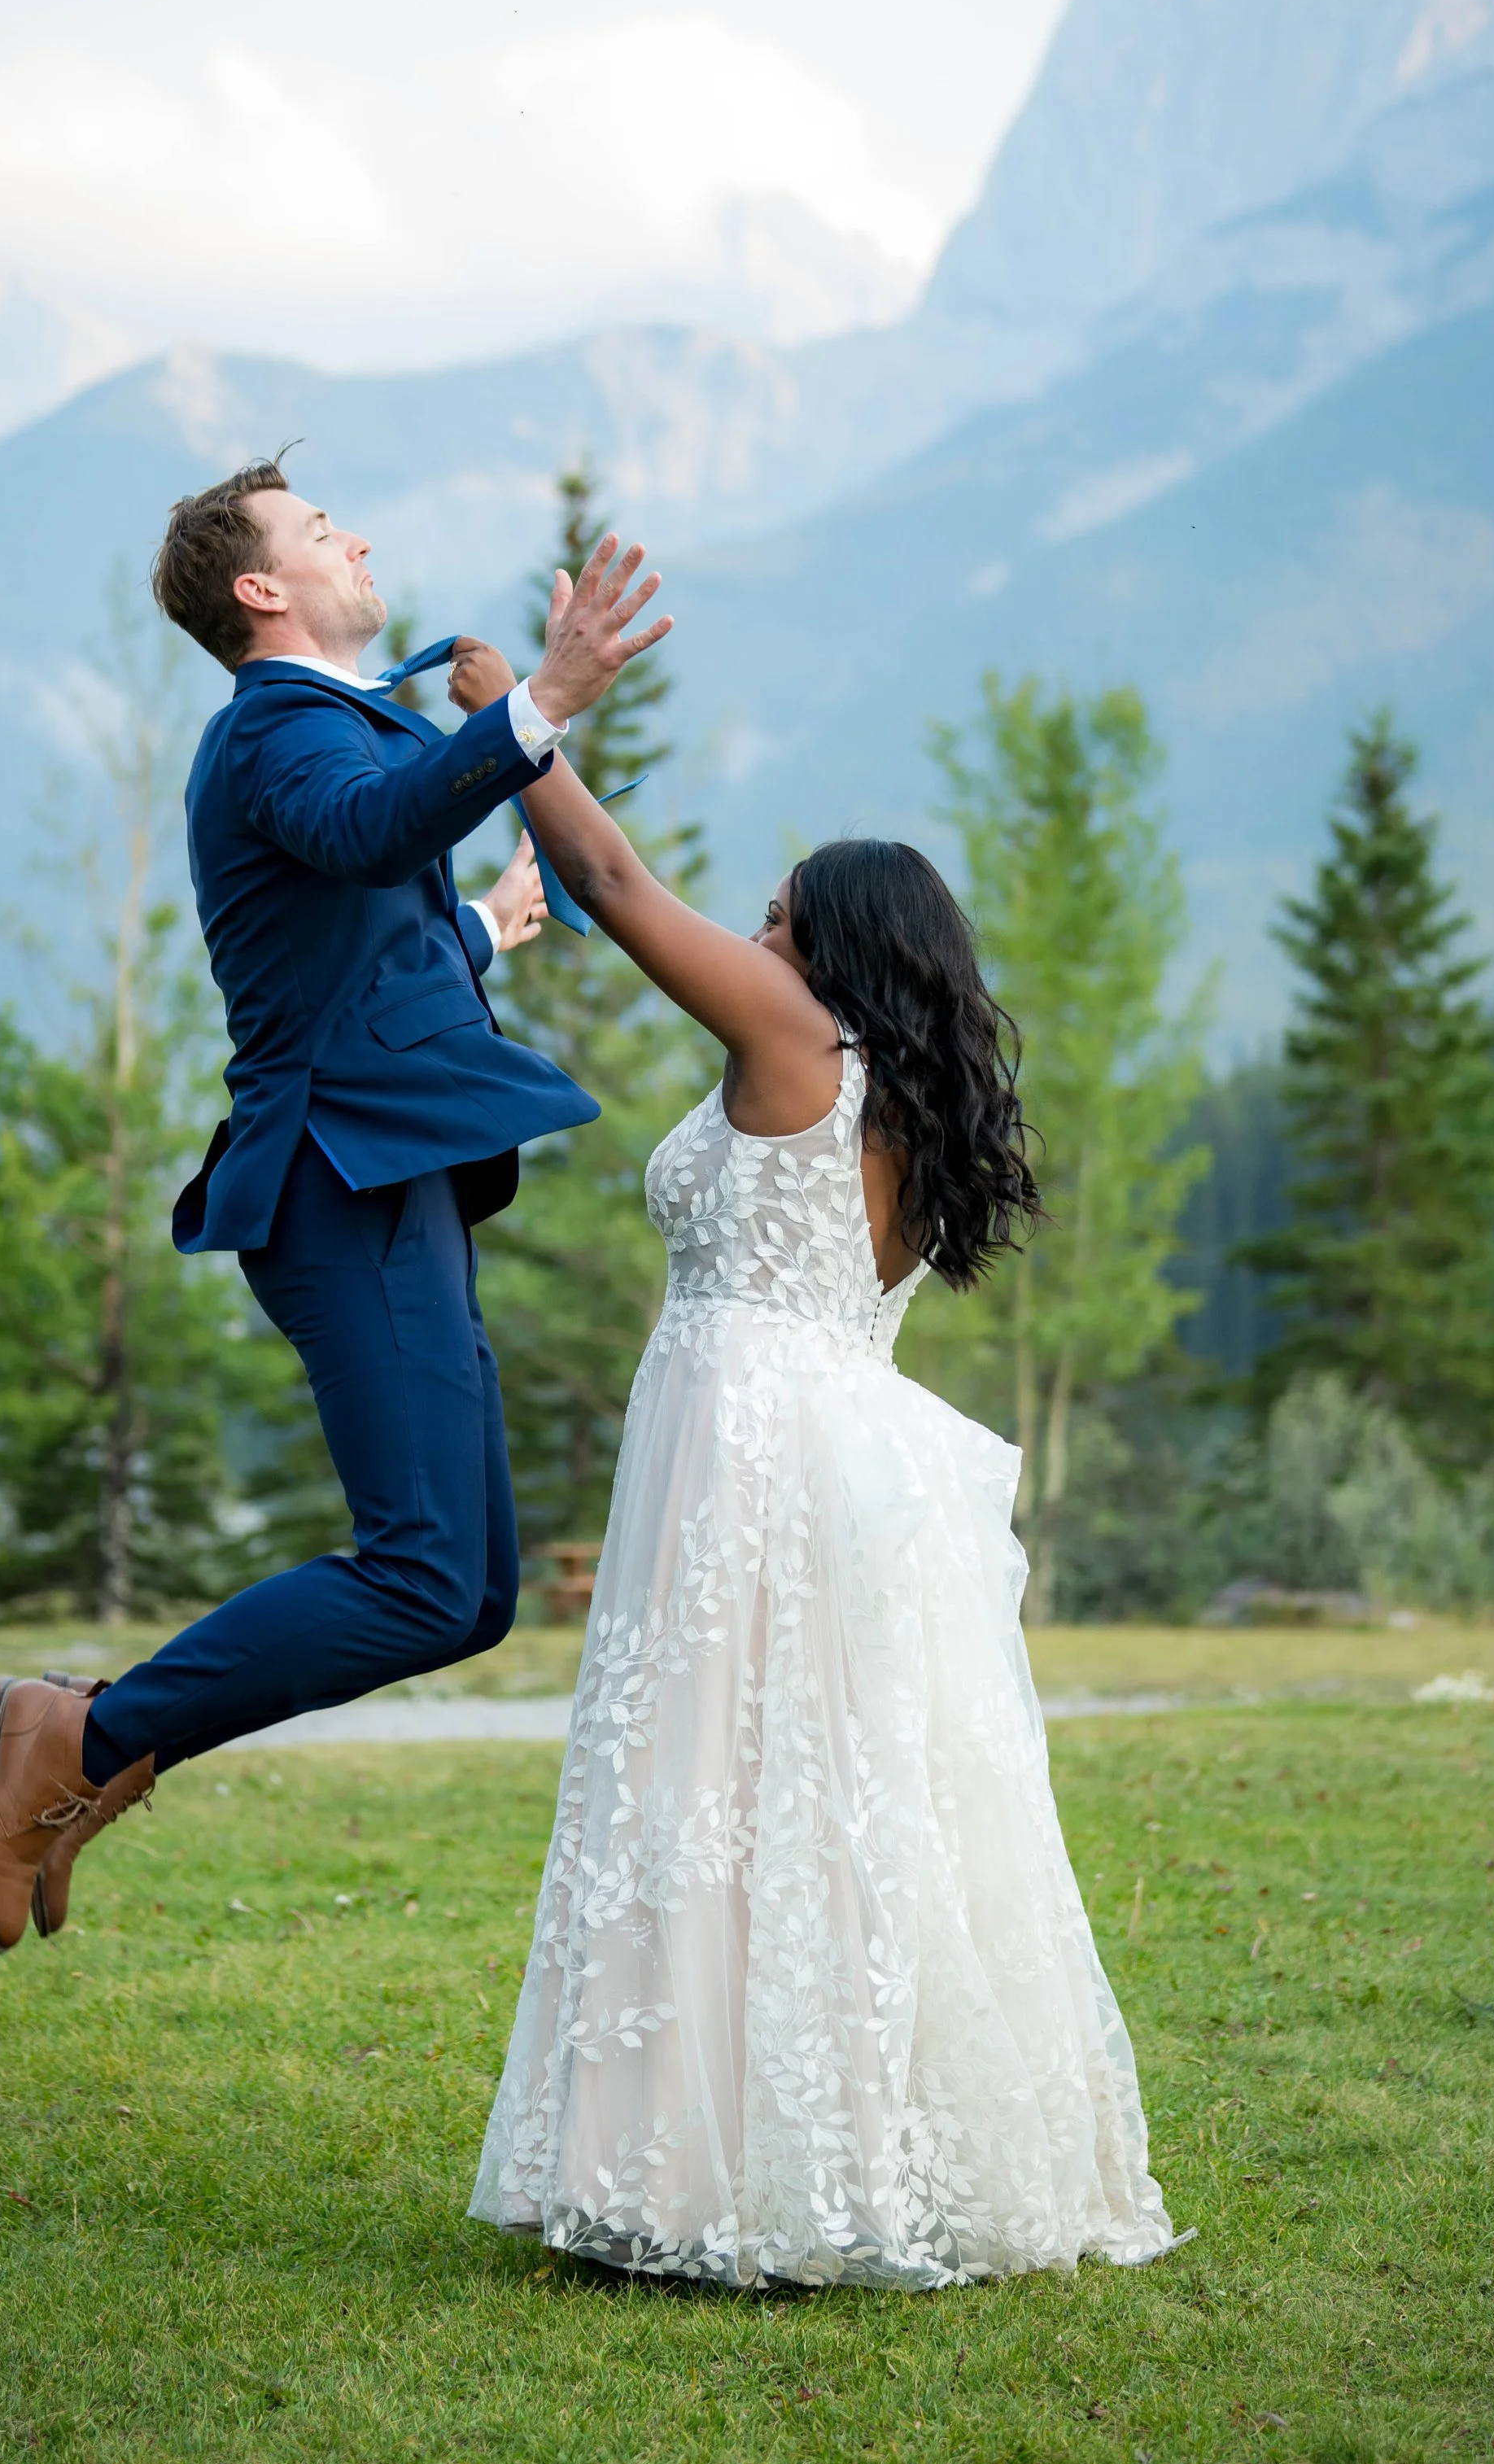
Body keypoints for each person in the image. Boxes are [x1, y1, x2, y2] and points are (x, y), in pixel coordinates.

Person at [466, 587, 1179, 2285]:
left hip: (753, 1451)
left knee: (714, 1787)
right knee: (809, 1802)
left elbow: (625, 889)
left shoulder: (794, 1042)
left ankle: (709, 2176)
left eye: (780, 923)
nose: (754, 945)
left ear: (836, 953)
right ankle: (744, 2163)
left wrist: (514, 729)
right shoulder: (905, 1108)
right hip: (821, 1439)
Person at [0, 461, 670, 1955]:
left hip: (385, 1182)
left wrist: (478, 924)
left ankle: (83, 1745)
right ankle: (71, 1738)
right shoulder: (276, 725)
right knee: (417, 1567)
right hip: (339, 1185)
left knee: (467, 1591)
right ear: (260, 589)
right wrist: (537, 704)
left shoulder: (328, 731)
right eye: (317, 527)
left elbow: (344, 939)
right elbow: (359, 835)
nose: (355, 532)